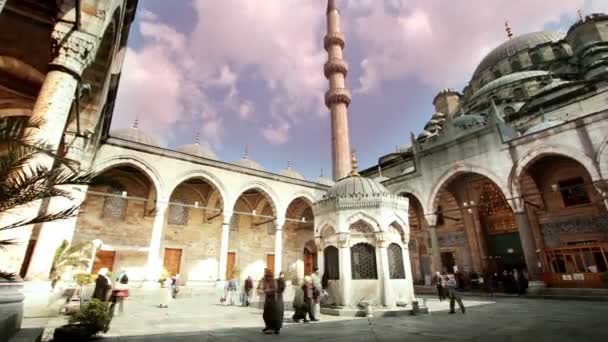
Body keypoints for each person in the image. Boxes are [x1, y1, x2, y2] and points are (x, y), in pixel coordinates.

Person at [262, 269, 283, 334]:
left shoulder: (274, 280)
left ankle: (273, 328)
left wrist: (268, 290)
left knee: (273, 314)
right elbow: (263, 288)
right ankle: (268, 326)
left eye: (266, 273)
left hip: (274, 300)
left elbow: (276, 289)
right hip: (269, 299)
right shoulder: (265, 280)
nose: (265, 275)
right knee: (266, 314)